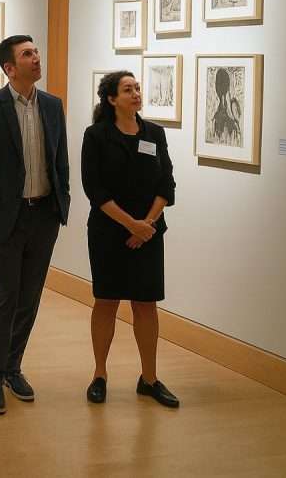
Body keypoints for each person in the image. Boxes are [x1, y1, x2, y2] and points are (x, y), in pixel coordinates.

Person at [0, 34, 70, 415]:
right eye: (27, 54)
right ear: (9, 67)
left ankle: (12, 367)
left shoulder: (52, 106)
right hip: (3, 218)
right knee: (5, 294)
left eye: (36, 51)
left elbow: (59, 160)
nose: (36, 57)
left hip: (43, 216)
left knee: (30, 296)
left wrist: (61, 203)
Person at [82, 71, 178, 408]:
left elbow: (167, 184)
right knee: (106, 302)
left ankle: (149, 379)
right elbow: (95, 190)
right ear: (111, 99)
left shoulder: (154, 133)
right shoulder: (96, 136)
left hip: (148, 234)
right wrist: (130, 225)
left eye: (137, 88)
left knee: (146, 304)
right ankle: (99, 374)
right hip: (109, 232)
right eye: (128, 90)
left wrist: (145, 225)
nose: (136, 93)